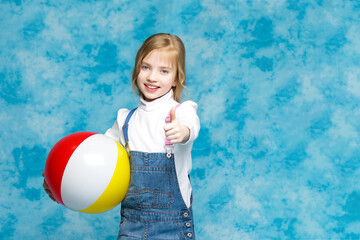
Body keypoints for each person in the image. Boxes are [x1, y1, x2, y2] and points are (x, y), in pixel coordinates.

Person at [43, 33, 200, 239]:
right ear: (137, 70)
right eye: (146, 67)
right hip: (132, 224)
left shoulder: (180, 112)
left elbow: (191, 126)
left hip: (171, 225)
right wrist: (63, 184)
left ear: (176, 79)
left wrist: (183, 132)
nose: (152, 77)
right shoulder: (125, 119)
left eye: (164, 71)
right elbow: (95, 160)